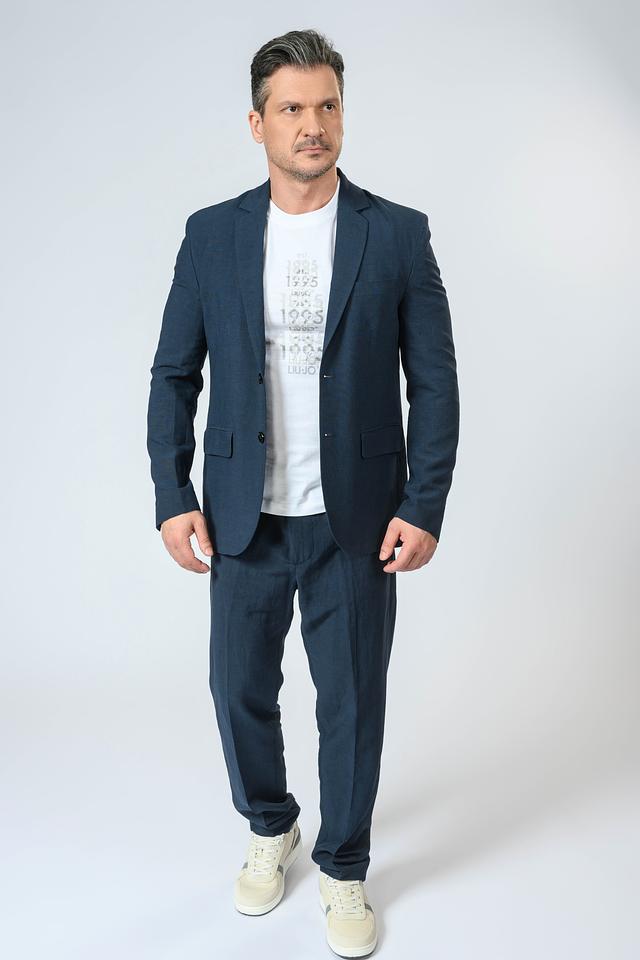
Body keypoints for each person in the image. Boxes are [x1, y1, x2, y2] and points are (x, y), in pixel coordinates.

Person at [146, 27, 459, 959]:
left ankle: (345, 867)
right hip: (242, 517)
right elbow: (174, 374)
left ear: (342, 116)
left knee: (352, 703)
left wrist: (424, 503)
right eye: (292, 108)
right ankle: (270, 822)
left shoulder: (395, 233)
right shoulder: (212, 234)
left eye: (327, 106)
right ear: (258, 124)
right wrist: (172, 491)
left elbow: (435, 381)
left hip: (356, 520)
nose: (312, 124)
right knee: (236, 687)